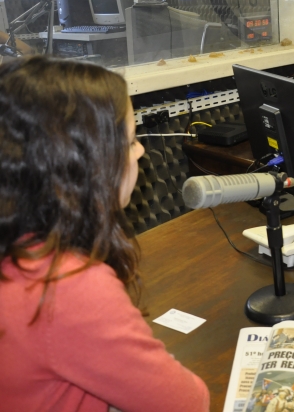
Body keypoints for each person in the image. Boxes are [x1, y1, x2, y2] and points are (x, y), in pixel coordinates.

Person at [0, 57, 209, 411]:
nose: (140, 150)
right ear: (82, 165)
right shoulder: (67, 286)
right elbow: (188, 403)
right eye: (130, 141)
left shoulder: (20, 251)